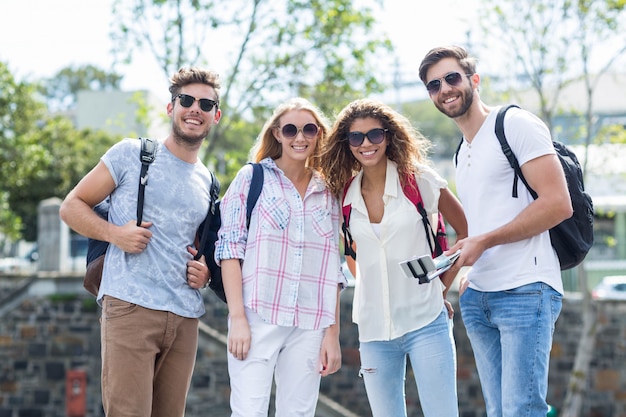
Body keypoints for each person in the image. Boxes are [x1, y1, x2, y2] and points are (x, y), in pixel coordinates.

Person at [419, 45, 573, 417]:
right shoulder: (462, 152)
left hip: (526, 288)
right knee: (499, 411)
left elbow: (557, 204)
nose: (445, 89)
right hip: (479, 298)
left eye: (452, 77)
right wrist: (463, 270)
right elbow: (479, 226)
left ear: (474, 79)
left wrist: (486, 240)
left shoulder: (514, 124)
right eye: (434, 84)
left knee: (523, 410)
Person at [59, 67, 221, 417]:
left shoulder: (209, 181)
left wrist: (204, 273)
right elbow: (71, 206)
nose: (196, 108)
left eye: (205, 103)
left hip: (184, 316)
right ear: (171, 107)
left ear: (215, 116)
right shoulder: (131, 154)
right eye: (187, 100)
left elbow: (199, 246)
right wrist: (116, 234)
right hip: (130, 307)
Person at [319, 98, 467, 417]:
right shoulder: (343, 195)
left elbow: (466, 233)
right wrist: (372, 282)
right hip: (373, 331)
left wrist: (441, 288)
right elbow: (353, 255)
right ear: (346, 144)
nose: (366, 144)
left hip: (426, 322)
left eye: (375, 134)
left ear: (389, 136)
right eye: (356, 137)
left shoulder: (420, 180)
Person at [214, 97, 346, 417]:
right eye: (290, 130)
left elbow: (333, 269)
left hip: (311, 322)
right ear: (277, 134)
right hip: (259, 316)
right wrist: (238, 320)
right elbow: (230, 250)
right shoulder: (251, 178)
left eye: (308, 130)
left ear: (318, 134)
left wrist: (333, 333)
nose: (299, 137)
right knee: (249, 412)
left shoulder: (329, 191)